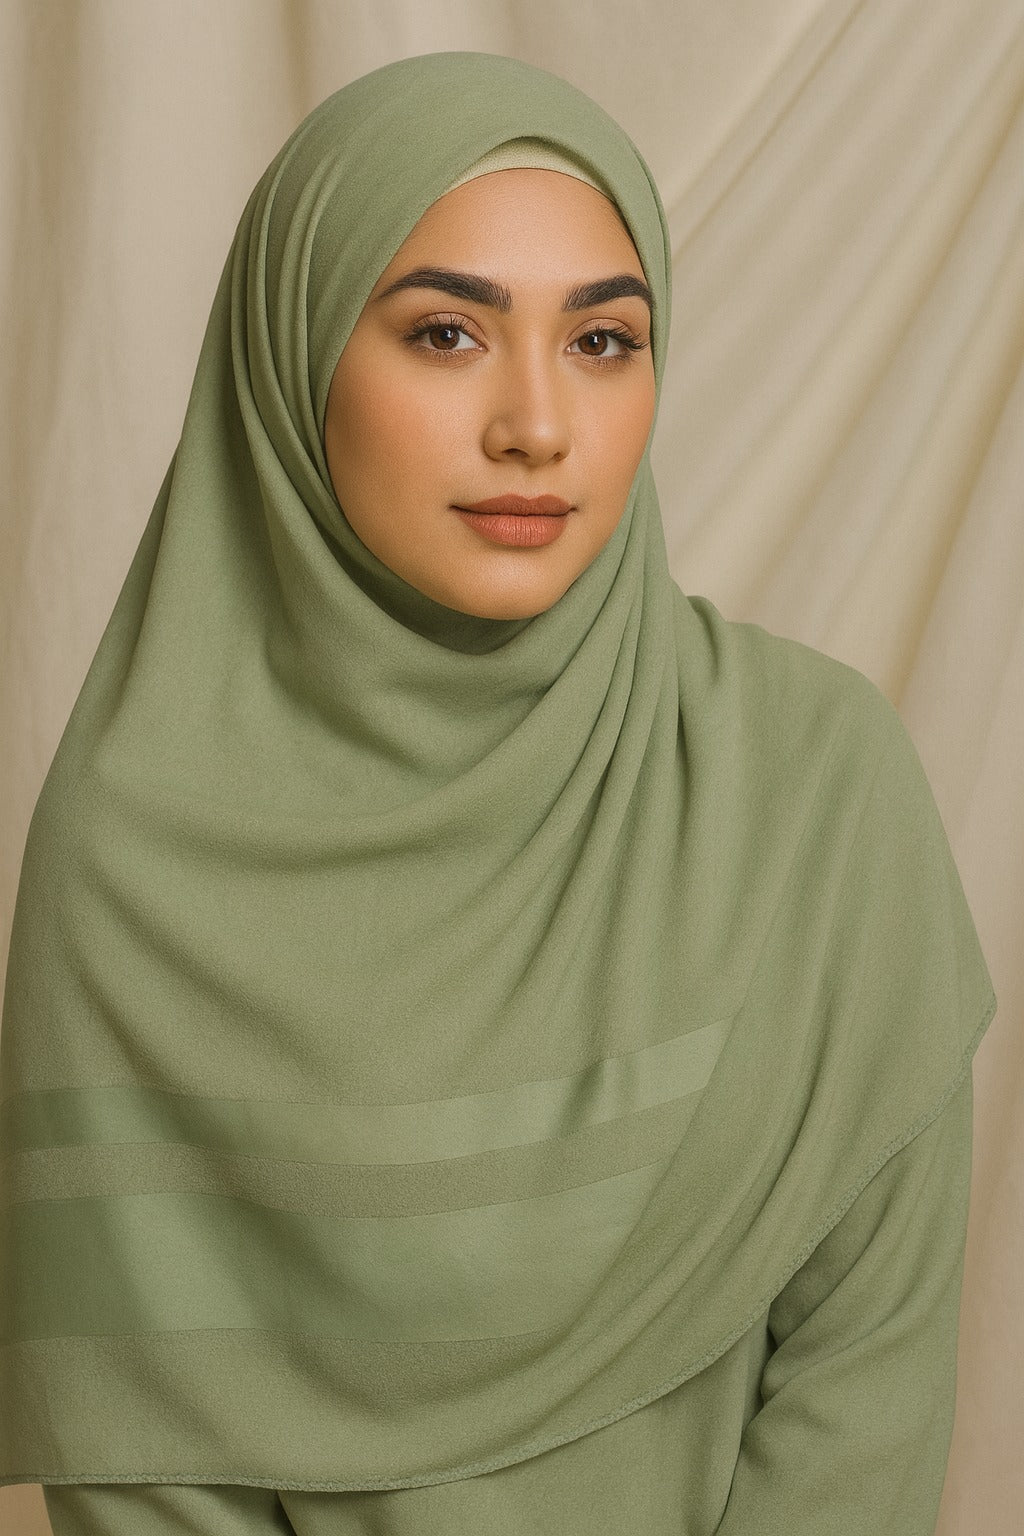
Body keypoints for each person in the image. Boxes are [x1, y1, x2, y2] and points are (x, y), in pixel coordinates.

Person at [0, 50, 995, 1536]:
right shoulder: (135, 863)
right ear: (293, 357)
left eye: (603, 341)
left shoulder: (816, 792)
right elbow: (149, 1461)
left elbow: (866, 1393)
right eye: (448, 332)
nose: (537, 423)